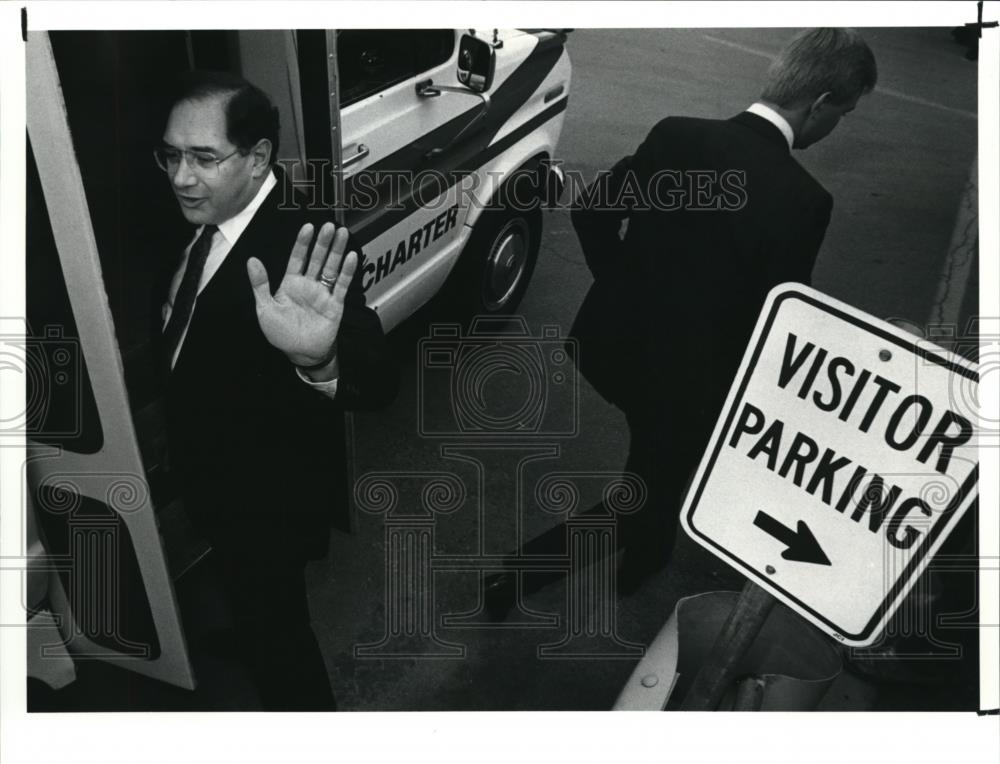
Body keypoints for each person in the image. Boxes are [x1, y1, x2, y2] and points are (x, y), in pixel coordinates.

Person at [485, 28, 877, 615]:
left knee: (655, 472)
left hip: (618, 349)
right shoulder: (802, 199)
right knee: (646, 490)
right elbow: (778, 319)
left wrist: (627, 287)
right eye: (844, 111)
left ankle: (645, 555)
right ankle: (520, 576)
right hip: (692, 386)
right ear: (820, 104)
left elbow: (593, 211)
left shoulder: (676, 134)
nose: (837, 124)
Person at [153, 72, 396, 709]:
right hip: (209, 472)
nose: (180, 176)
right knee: (246, 598)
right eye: (171, 155)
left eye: (203, 157)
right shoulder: (199, 209)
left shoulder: (306, 246)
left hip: (265, 499)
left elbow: (379, 379)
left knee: (280, 635)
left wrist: (322, 358)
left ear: (258, 157)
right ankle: (245, 628)